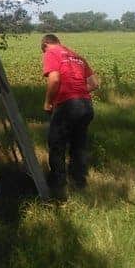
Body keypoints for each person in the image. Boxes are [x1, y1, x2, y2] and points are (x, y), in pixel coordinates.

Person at [41, 34, 99, 198]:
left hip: (67, 105)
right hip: (86, 106)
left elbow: (54, 79)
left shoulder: (51, 52)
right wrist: (78, 92)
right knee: (78, 145)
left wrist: (48, 102)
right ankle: (79, 183)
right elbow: (94, 83)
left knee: (56, 143)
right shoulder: (76, 56)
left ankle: (58, 185)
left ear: (46, 44)